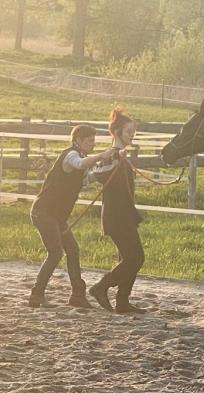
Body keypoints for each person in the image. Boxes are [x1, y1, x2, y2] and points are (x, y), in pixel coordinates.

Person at [29, 124, 116, 308]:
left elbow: (86, 178)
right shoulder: (71, 156)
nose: (92, 144)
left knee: (73, 251)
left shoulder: (82, 158)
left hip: (56, 216)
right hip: (44, 213)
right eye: (90, 141)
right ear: (78, 140)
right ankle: (36, 294)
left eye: (94, 141)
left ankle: (77, 295)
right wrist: (101, 155)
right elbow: (80, 165)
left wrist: (110, 166)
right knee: (55, 253)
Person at [89, 108, 146, 314]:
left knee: (129, 257)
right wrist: (115, 158)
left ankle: (122, 302)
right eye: (129, 131)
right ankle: (101, 287)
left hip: (124, 214)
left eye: (133, 131)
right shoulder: (111, 155)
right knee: (136, 258)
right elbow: (97, 174)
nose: (132, 135)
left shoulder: (121, 156)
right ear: (118, 132)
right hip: (116, 215)